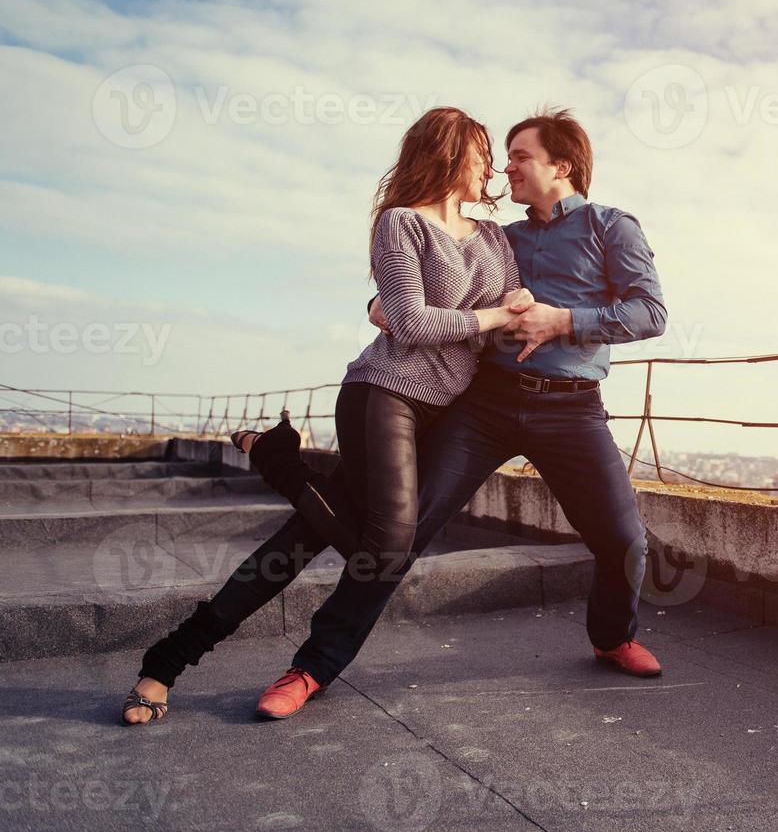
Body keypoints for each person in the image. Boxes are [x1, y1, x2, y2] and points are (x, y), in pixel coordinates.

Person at [121, 106, 527, 724]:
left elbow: (503, 322)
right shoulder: (401, 225)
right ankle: (279, 464)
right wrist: (494, 316)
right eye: (483, 153)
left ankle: (165, 663)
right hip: (384, 393)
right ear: (450, 153)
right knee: (390, 547)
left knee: (306, 535)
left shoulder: (495, 238)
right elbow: (411, 325)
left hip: (447, 410)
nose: (492, 168)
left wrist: (510, 316)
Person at [277, 106, 667, 717]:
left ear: (561, 165)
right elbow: (424, 290)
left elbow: (651, 314)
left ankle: (613, 638)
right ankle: (311, 668)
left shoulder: (610, 227)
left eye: (519, 157)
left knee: (624, 541)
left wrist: (563, 320)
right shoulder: (497, 237)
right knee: (401, 534)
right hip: (483, 403)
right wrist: (381, 300)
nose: (504, 168)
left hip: (572, 410)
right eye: (502, 156)